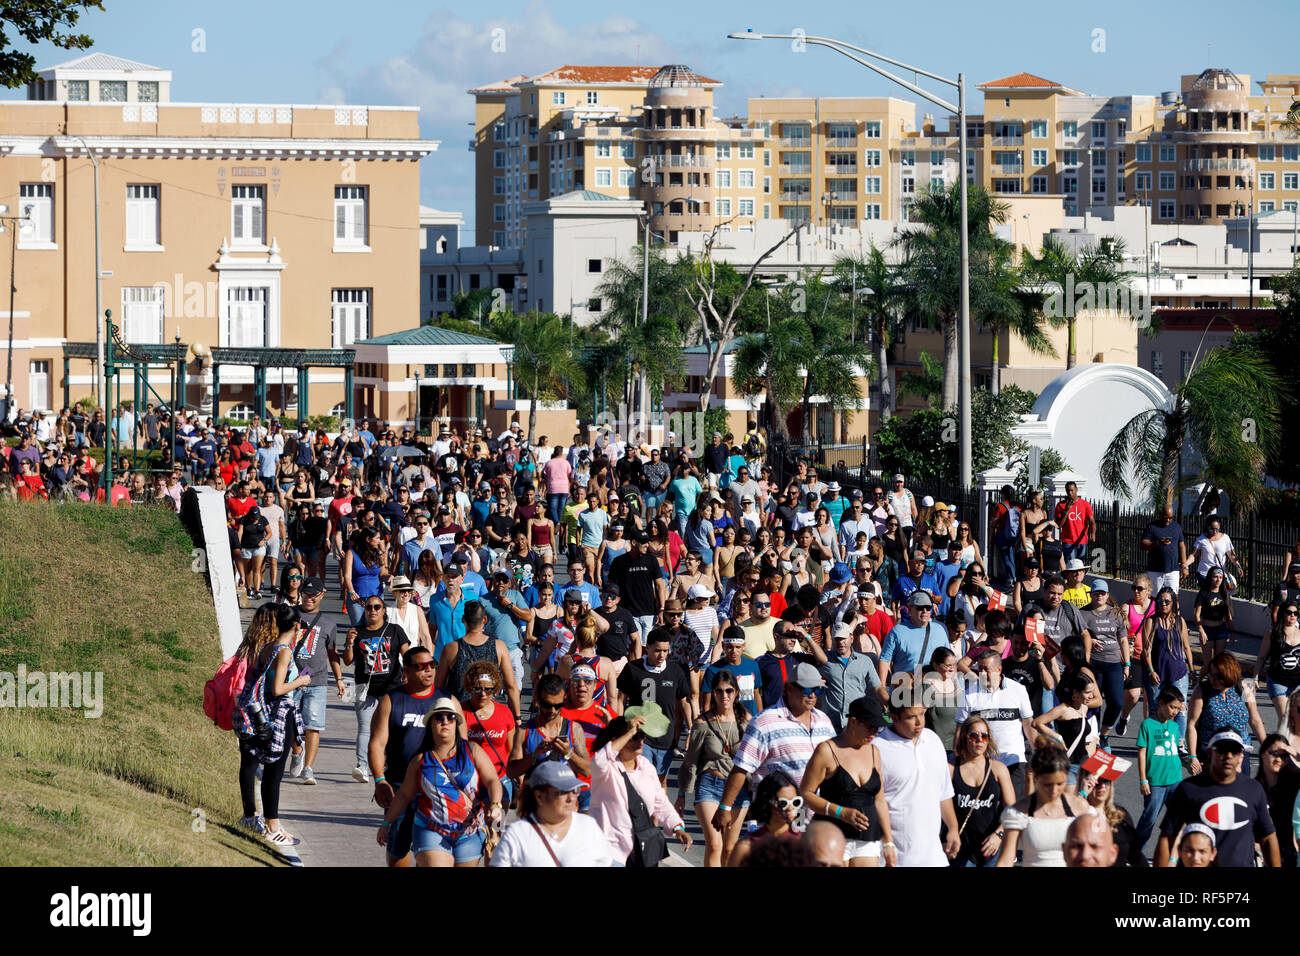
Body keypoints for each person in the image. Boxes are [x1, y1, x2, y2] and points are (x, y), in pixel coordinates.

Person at [377, 696, 504, 867]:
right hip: (431, 830)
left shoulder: (472, 751)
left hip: (469, 833)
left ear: (456, 724)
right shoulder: (420, 760)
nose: (445, 721)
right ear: (430, 724)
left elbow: (492, 781)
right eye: (439, 717)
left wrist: (496, 805)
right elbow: (404, 795)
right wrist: (387, 823)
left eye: (450, 718)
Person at [712, 662, 835, 837]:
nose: (812, 695)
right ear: (789, 689)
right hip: (779, 812)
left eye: (817, 690)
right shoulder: (764, 722)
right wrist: (725, 807)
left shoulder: (824, 721)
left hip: (817, 815)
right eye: (807, 690)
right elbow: (741, 768)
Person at [233, 604, 310, 846]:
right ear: (296, 626)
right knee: (274, 772)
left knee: (265, 768)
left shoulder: (268, 647)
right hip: (279, 714)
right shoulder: (284, 651)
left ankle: (263, 821)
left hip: (262, 714)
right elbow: (277, 688)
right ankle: (272, 826)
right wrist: (300, 681)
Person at [1155, 728, 1280, 867]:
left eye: (1235, 751)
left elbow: (1268, 838)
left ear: (1241, 756)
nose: (1228, 756)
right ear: (1209, 752)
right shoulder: (1188, 789)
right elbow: (1167, 838)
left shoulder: (1254, 790)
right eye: (1222, 750)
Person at [799, 695, 896, 867]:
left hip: (868, 837)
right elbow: (806, 794)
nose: (874, 732)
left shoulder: (874, 752)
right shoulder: (827, 750)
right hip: (832, 834)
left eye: (878, 728)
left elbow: (880, 801)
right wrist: (840, 812)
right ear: (853, 721)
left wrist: (888, 842)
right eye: (870, 726)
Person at [368, 645, 441, 866]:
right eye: (421, 666)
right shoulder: (392, 700)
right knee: (398, 852)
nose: (428, 670)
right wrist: (380, 779)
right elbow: (377, 744)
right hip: (399, 787)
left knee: (432, 853)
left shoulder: (445, 701)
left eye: (432, 665)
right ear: (406, 671)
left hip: (436, 789)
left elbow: (463, 746)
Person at [589, 714, 691, 866]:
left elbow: (660, 801)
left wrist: (677, 827)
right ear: (617, 740)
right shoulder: (607, 769)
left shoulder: (645, 766)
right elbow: (598, 762)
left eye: (641, 735)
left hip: (641, 851)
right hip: (611, 852)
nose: (640, 740)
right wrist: (629, 731)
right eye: (634, 736)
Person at [874, 687, 961, 866]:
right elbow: (876, 801)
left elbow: (943, 793)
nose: (919, 722)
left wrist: (953, 828)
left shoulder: (933, 740)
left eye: (922, 714)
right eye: (911, 717)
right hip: (894, 857)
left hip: (934, 856)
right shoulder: (877, 748)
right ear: (893, 717)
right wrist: (887, 843)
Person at [677, 669, 750, 867]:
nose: (724, 696)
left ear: (735, 692)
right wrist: (682, 794)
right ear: (713, 693)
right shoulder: (702, 723)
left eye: (728, 691)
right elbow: (690, 761)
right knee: (715, 843)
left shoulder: (745, 720)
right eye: (719, 691)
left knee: (729, 846)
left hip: (737, 788)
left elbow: (752, 759)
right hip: (709, 784)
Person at [489, 761, 614, 867]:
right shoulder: (518, 834)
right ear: (539, 796)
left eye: (575, 790)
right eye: (562, 792)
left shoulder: (588, 826)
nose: (571, 798)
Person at [341, 595, 411, 784]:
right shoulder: (358, 632)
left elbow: (406, 654)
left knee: (393, 729)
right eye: (369, 607)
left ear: (384, 611)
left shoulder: (395, 630)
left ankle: (390, 764)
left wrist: (410, 671)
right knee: (365, 729)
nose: (372, 610)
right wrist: (348, 642)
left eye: (377, 607)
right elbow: (347, 660)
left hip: (392, 688)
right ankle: (362, 766)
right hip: (364, 688)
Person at [955, 647, 1037, 796]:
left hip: (1014, 761)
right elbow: (961, 728)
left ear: (999, 669)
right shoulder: (969, 694)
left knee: (1013, 810)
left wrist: (1036, 751)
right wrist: (958, 756)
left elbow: (1028, 723)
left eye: (986, 669)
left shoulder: (1018, 690)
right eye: (979, 669)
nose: (982, 673)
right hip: (982, 763)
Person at [996, 742, 1092, 867]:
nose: (1054, 790)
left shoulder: (1080, 807)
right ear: (1037, 778)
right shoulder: (1017, 812)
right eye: (1047, 784)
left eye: (1060, 784)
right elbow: (1006, 860)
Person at [616, 629, 690, 786]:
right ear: (647, 647)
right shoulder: (632, 669)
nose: (661, 655)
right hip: (641, 737)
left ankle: (658, 810)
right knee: (642, 780)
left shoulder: (675, 672)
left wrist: (691, 728)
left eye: (665, 651)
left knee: (660, 783)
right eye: (657, 650)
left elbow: (684, 702)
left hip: (666, 737)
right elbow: (620, 700)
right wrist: (620, 727)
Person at [288, 578, 343, 785]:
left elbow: (333, 653)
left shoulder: (328, 624)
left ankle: (308, 768)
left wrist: (339, 680)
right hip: (291, 680)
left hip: (317, 680)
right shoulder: (290, 615)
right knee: (290, 722)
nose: (309, 598)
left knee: (313, 726)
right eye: (306, 593)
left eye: (313, 595)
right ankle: (296, 751)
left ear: (321, 595)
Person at [947, 715, 1017, 867]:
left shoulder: (998, 769)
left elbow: (1012, 808)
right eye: (974, 735)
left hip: (992, 848)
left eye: (984, 736)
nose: (980, 740)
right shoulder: (950, 769)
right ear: (964, 737)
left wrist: (999, 834)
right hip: (961, 849)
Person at [434, 600, 522, 719]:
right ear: (485, 620)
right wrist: (517, 718)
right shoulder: (499, 646)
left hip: (459, 715)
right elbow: (511, 686)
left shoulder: (451, 648)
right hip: (488, 715)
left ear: (463, 619)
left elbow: (439, 687)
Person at [1135, 684, 1197, 849]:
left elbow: (1175, 752)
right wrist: (1143, 780)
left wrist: (1188, 764)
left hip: (1175, 780)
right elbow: (1142, 752)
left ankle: (1177, 852)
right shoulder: (1147, 725)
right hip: (1155, 782)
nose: (1174, 712)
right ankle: (1135, 851)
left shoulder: (1175, 726)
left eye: (1177, 708)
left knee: (1180, 818)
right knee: (1149, 818)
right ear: (1161, 703)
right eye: (1172, 707)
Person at [1187, 651, 1268, 774]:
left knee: (1241, 790)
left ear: (1228, 674)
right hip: (1212, 752)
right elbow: (1192, 724)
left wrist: (1267, 748)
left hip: (1241, 749)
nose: (1212, 679)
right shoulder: (1202, 690)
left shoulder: (1245, 687)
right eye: (1210, 674)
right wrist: (1193, 756)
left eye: (1217, 676)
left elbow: (1255, 719)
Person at [1141, 586, 1194, 739]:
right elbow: (1146, 650)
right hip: (1157, 673)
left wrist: (1192, 670)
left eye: (1167, 601)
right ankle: (1156, 740)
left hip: (1178, 673)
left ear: (1173, 603)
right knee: (1156, 709)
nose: (1163, 604)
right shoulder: (1152, 622)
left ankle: (1179, 743)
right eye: (1160, 601)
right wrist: (1151, 670)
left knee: (1181, 710)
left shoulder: (1179, 622)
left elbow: (1186, 646)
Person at [1031, 670, 1099, 785]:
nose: (1091, 696)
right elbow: (1037, 723)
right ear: (1076, 693)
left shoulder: (1084, 708)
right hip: (1068, 764)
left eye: (1092, 692)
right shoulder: (1063, 709)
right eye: (1087, 692)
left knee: (1082, 799)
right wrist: (1056, 736)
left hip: (1084, 762)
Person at [726, 770, 803, 868]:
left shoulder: (806, 843)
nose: (790, 808)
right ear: (766, 803)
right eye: (783, 803)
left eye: (796, 802)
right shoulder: (746, 847)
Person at [878, 591, 949, 690]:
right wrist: (882, 688)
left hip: (935, 690)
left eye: (928, 608)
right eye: (920, 608)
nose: (924, 611)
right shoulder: (897, 632)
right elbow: (885, 661)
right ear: (910, 610)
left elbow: (948, 660)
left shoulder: (940, 630)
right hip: (905, 691)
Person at [1081, 769, 1146, 866]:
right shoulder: (1078, 817)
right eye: (1097, 781)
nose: (1102, 786)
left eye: (1106, 781)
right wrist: (1082, 794)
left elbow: (1135, 855)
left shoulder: (1120, 815)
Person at [1255, 733, 1300, 868]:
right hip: (1261, 852)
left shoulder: (1295, 783)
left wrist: (1295, 754)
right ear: (1263, 753)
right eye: (1274, 753)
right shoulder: (1253, 788)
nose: (1279, 759)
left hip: (1291, 851)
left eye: (1284, 755)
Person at [1254, 601, 1300, 726]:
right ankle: (1283, 743)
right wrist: (1255, 677)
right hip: (1278, 682)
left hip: (1297, 684)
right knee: (1285, 718)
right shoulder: (1272, 634)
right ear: (1282, 614)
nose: (1292, 616)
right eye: (1289, 612)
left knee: (1297, 720)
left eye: (1295, 613)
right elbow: (1261, 658)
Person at [702, 626, 763, 719]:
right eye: (730, 647)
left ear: (744, 646)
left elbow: (756, 694)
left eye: (738, 647)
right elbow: (706, 704)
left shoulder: (753, 665)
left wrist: (761, 717)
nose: (734, 651)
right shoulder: (712, 670)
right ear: (723, 646)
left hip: (751, 720)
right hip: (724, 722)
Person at [1140, 504, 1187, 596]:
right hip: (1155, 571)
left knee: (1173, 597)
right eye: (1166, 518)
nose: (1168, 520)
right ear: (1160, 514)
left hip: (1173, 570)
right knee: (1153, 598)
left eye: (1170, 518)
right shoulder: (1152, 526)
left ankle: (1175, 611)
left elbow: (1181, 545)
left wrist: (1184, 566)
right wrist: (1157, 543)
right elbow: (1143, 544)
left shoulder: (1176, 527)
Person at [1053, 481, 1095, 569]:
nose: (1070, 493)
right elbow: (1059, 525)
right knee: (1071, 566)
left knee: (1080, 567)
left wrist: (1093, 533)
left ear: (1076, 490)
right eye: (1068, 491)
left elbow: (1092, 521)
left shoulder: (1085, 504)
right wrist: (1066, 510)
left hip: (1082, 540)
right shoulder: (1061, 505)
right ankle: (1070, 582)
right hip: (1068, 541)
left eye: (1072, 490)